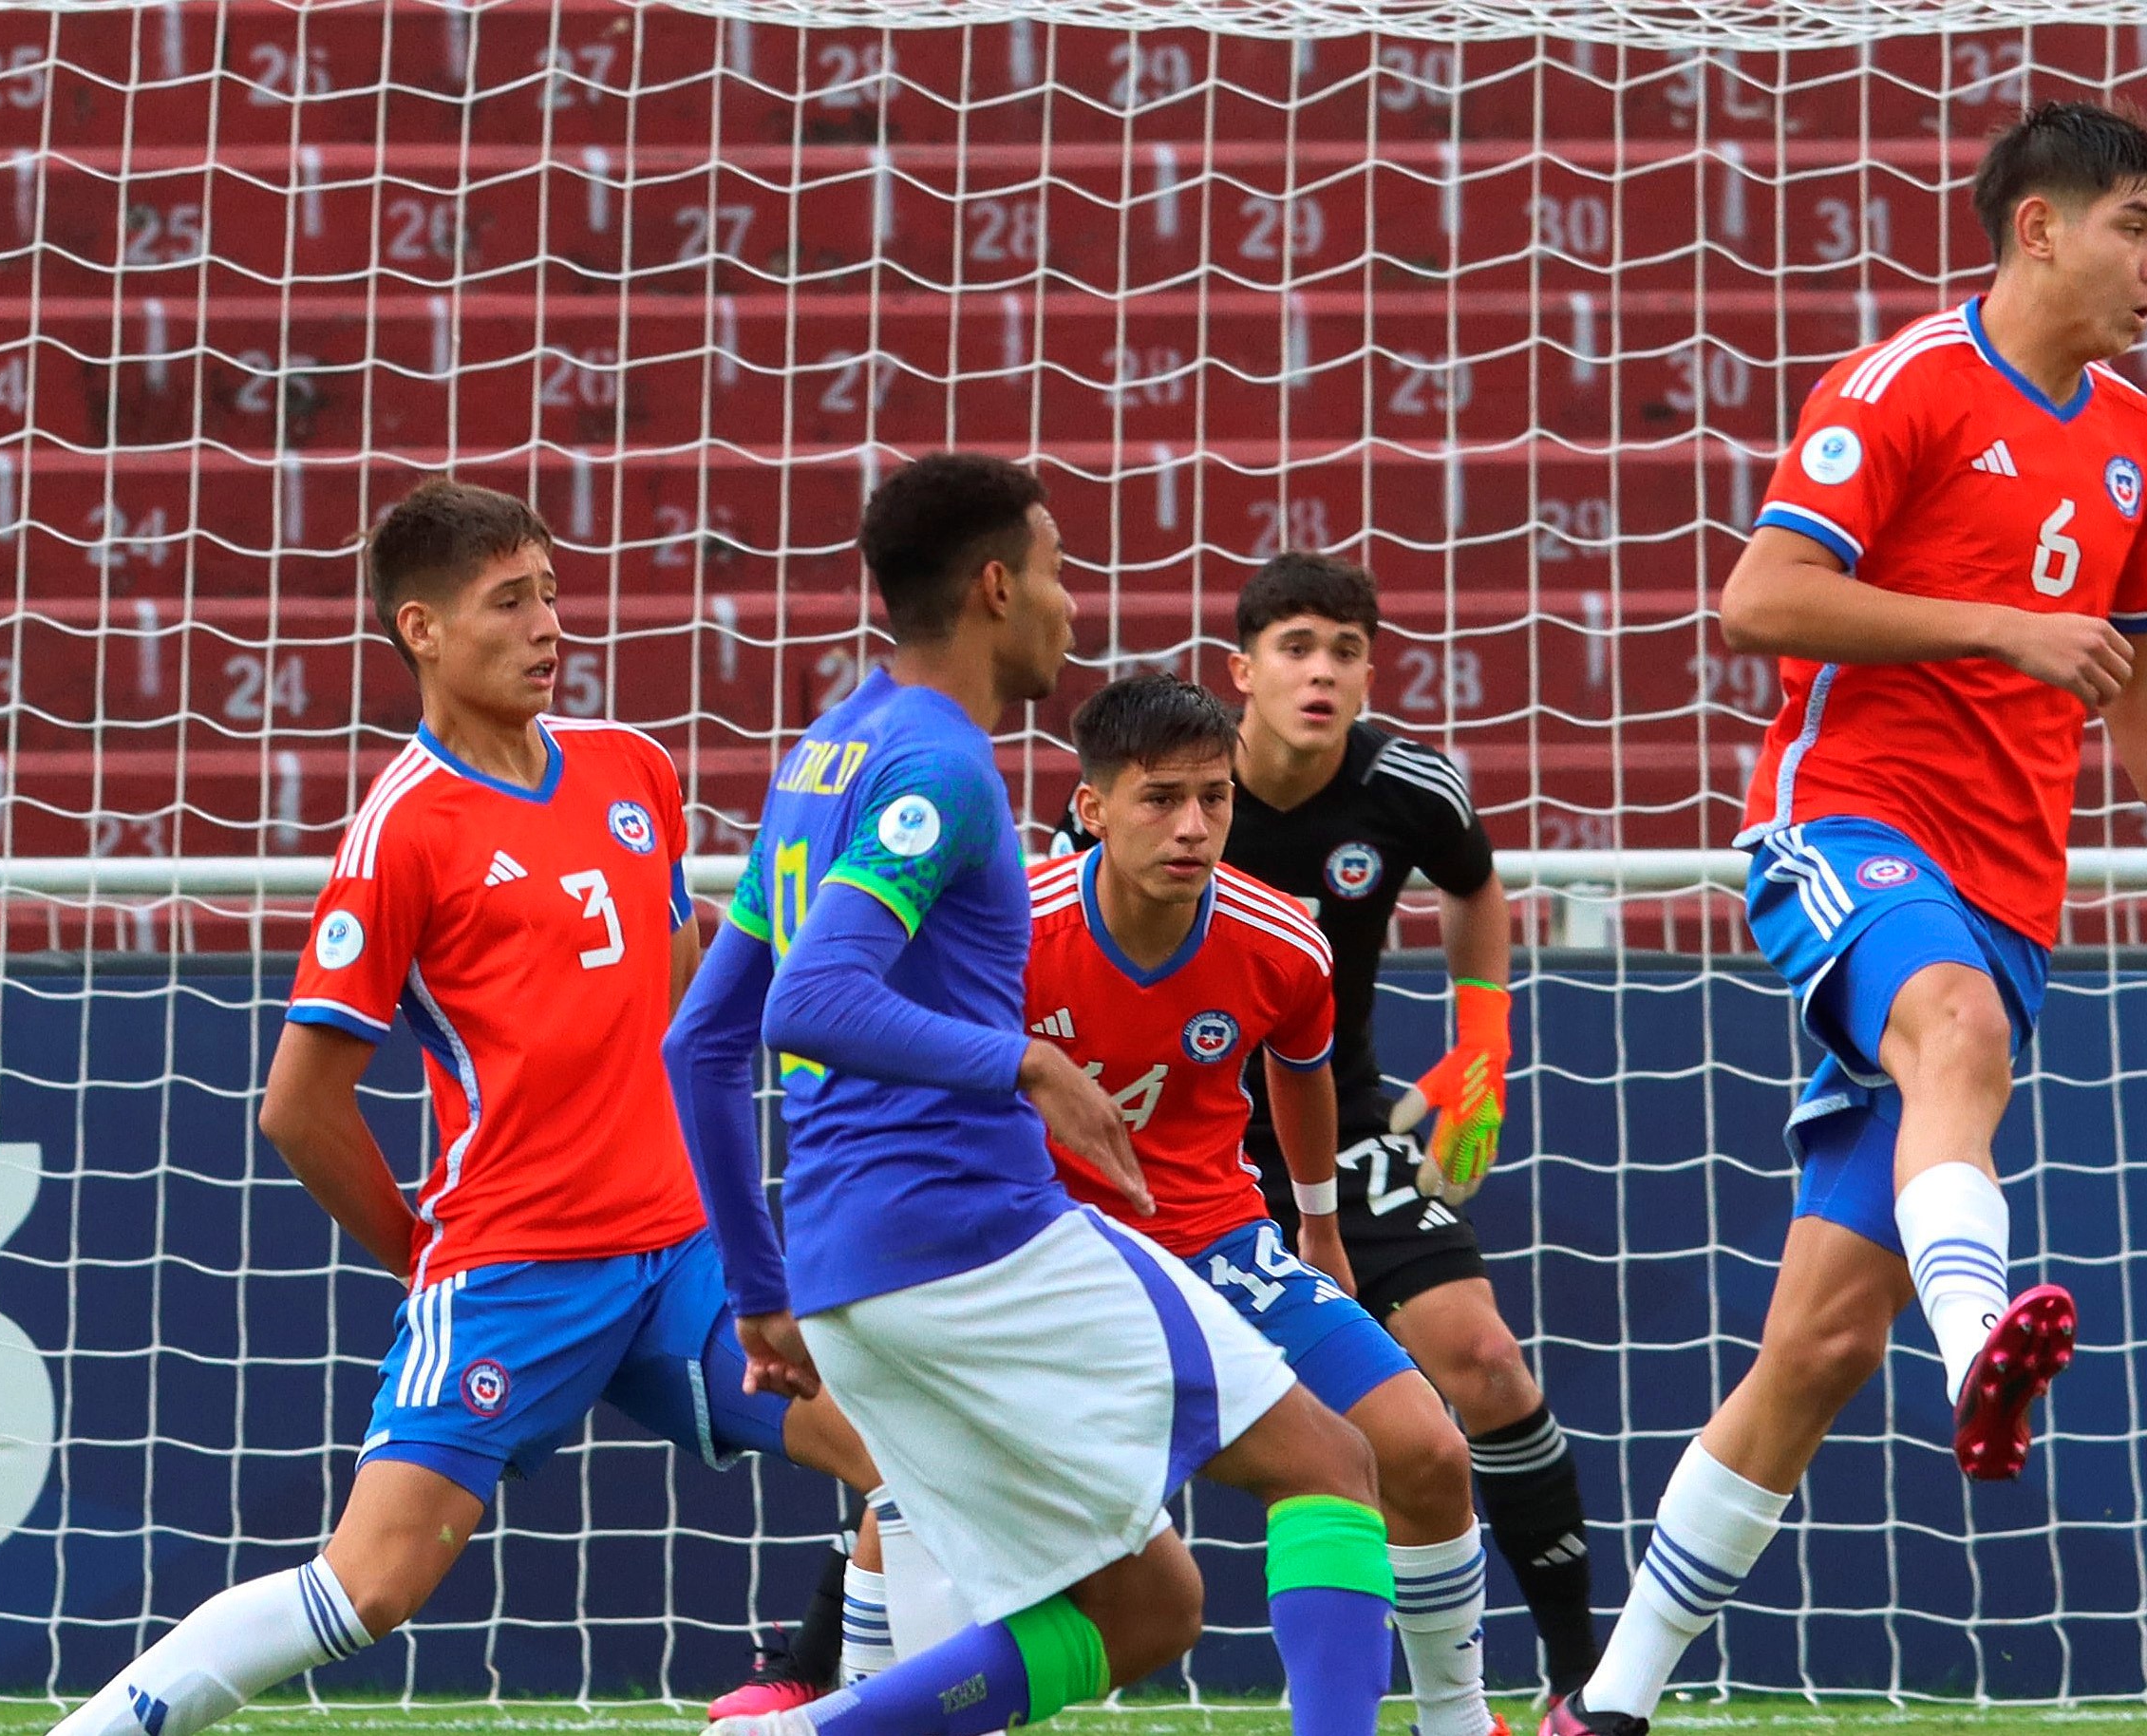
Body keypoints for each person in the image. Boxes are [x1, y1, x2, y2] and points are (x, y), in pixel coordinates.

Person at [1540, 102, 2147, 1736]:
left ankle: (1603, 1708)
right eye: (2137, 226)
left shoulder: (2137, 442)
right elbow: (1759, 598)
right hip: (1841, 830)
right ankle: (1982, 1338)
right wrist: (1996, 625)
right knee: (1956, 1031)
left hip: (2006, 896)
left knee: (1819, 1345)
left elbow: (2146, 696)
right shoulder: (1904, 382)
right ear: (2037, 227)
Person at [47, 480, 879, 1736]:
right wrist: (417, 1254)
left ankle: (832, 1700)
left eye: (549, 593)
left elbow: (674, 975)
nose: (548, 625)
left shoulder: (632, 768)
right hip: (515, 1272)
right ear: (422, 629)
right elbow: (298, 1107)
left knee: (906, 1454)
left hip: (682, 1259)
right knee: (369, 1588)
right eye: (508, 602)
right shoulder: (403, 832)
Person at [664, 453, 1396, 1736]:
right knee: (1333, 1465)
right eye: (1057, 571)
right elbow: (808, 1003)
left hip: (846, 1271)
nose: (1072, 603)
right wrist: (1028, 1063)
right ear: (996, 588)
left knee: (1148, 1607)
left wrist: (761, 1287)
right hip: (971, 1235)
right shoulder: (940, 769)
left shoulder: (824, 756)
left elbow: (700, 1043)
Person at [1108, 552, 1607, 1694]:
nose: (1321, 672)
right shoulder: (1167, 792)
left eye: (1345, 651)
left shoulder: (1407, 787)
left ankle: (1583, 1689)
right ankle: (821, 1652)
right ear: (1242, 670)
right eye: (1294, 648)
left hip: (1334, 1121)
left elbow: (1473, 881)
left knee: (1485, 1364)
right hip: (1166, 1141)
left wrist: (1483, 1042)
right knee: (988, 1389)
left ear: (1371, 675)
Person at [1021, 671, 1501, 1736]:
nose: (1193, 827)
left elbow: (1300, 1071)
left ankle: (1457, 1719)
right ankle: (841, 1686)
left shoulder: (1281, 939)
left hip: (1216, 1243)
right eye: (1160, 799)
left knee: (1424, 1451)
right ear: (1092, 808)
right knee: (913, 1502)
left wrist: (1318, 1227)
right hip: (1044, 1262)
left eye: (1214, 798)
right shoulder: (1011, 929)